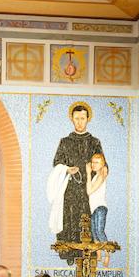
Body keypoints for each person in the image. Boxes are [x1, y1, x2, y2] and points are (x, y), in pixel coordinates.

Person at [49, 104, 104, 262]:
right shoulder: (65, 142)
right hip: (70, 188)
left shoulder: (94, 142)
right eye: (77, 118)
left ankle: (86, 254)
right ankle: (69, 254)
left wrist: (93, 172)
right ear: (72, 119)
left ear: (88, 119)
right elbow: (57, 162)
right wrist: (67, 169)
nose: (80, 122)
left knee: (86, 218)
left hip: (88, 189)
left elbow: (102, 164)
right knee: (69, 218)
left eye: (83, 118)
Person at [85, 152, 109, 243]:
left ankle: (107, 257)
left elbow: (89, 191)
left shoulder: (101, 176)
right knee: (95, 235)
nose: (93, 165)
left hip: (100, 208)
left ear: (102, 164)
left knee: (99, 232)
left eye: (97, 162)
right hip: (94, 209)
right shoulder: (96, 177)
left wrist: (88, 173)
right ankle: (99, 256)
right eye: (92, 162)